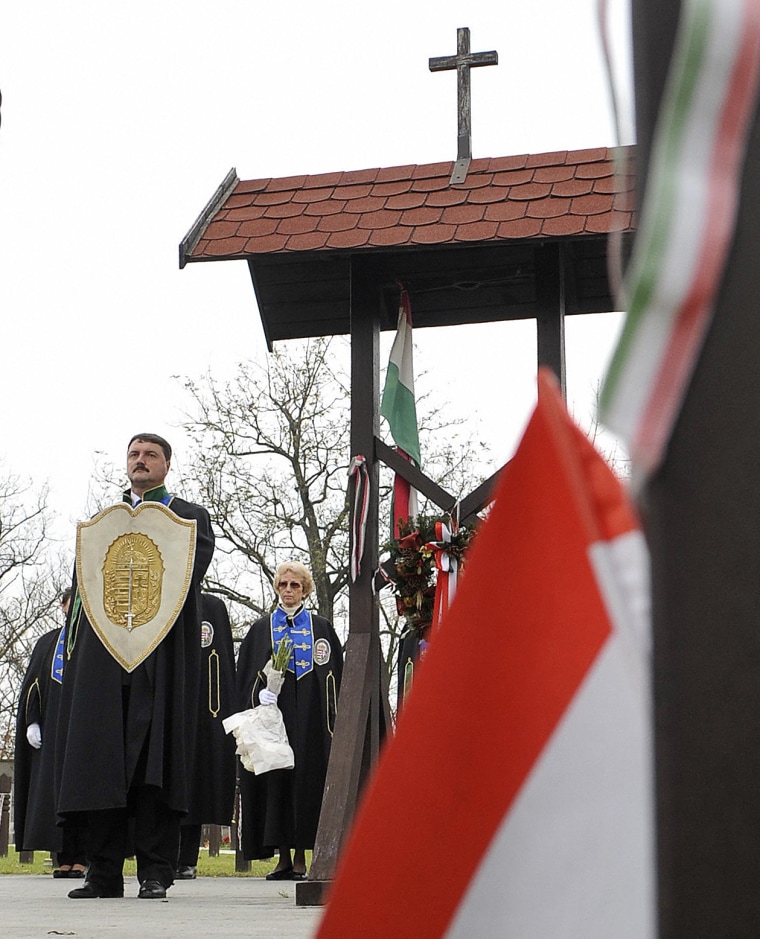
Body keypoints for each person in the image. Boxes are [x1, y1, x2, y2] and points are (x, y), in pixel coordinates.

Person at [56, 433, 214, 900]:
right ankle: (102, 873)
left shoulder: (188, 518)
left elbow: (187, 577)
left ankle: (155, 873)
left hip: (160, 659)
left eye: (150, 455)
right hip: (106, 662)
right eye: (134, 454)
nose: (140, 461)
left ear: (167, 464)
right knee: (102, 764)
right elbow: (84, 590)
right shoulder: (104, 523)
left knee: (154, 766)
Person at [235, 561, 342, 880]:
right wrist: (261, 694)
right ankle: (281, 856)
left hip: (310, 720)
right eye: (283, 584)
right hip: (274, 718)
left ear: (305, 589)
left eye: (295, 585)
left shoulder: (321, 628)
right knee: (276, 781)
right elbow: (247, 675)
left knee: (307, 780)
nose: (288, 590)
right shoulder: (261, 628)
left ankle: (301, 856)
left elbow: (335, 675)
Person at [14, 589, 87, 876]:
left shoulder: (93, 642)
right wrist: (32, 722)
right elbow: (33, 685)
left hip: (84, 734)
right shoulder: (47, 643)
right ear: (62, 606)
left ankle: (82, 857)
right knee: (54, 797)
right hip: (53, 734)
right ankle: (62, 857)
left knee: (82, 795)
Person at [175, 593, 237, 880]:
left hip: (203, 711)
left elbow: (222, 660)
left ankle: (186, 857)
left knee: (194, 783)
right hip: (172, 705)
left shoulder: (211, 607)